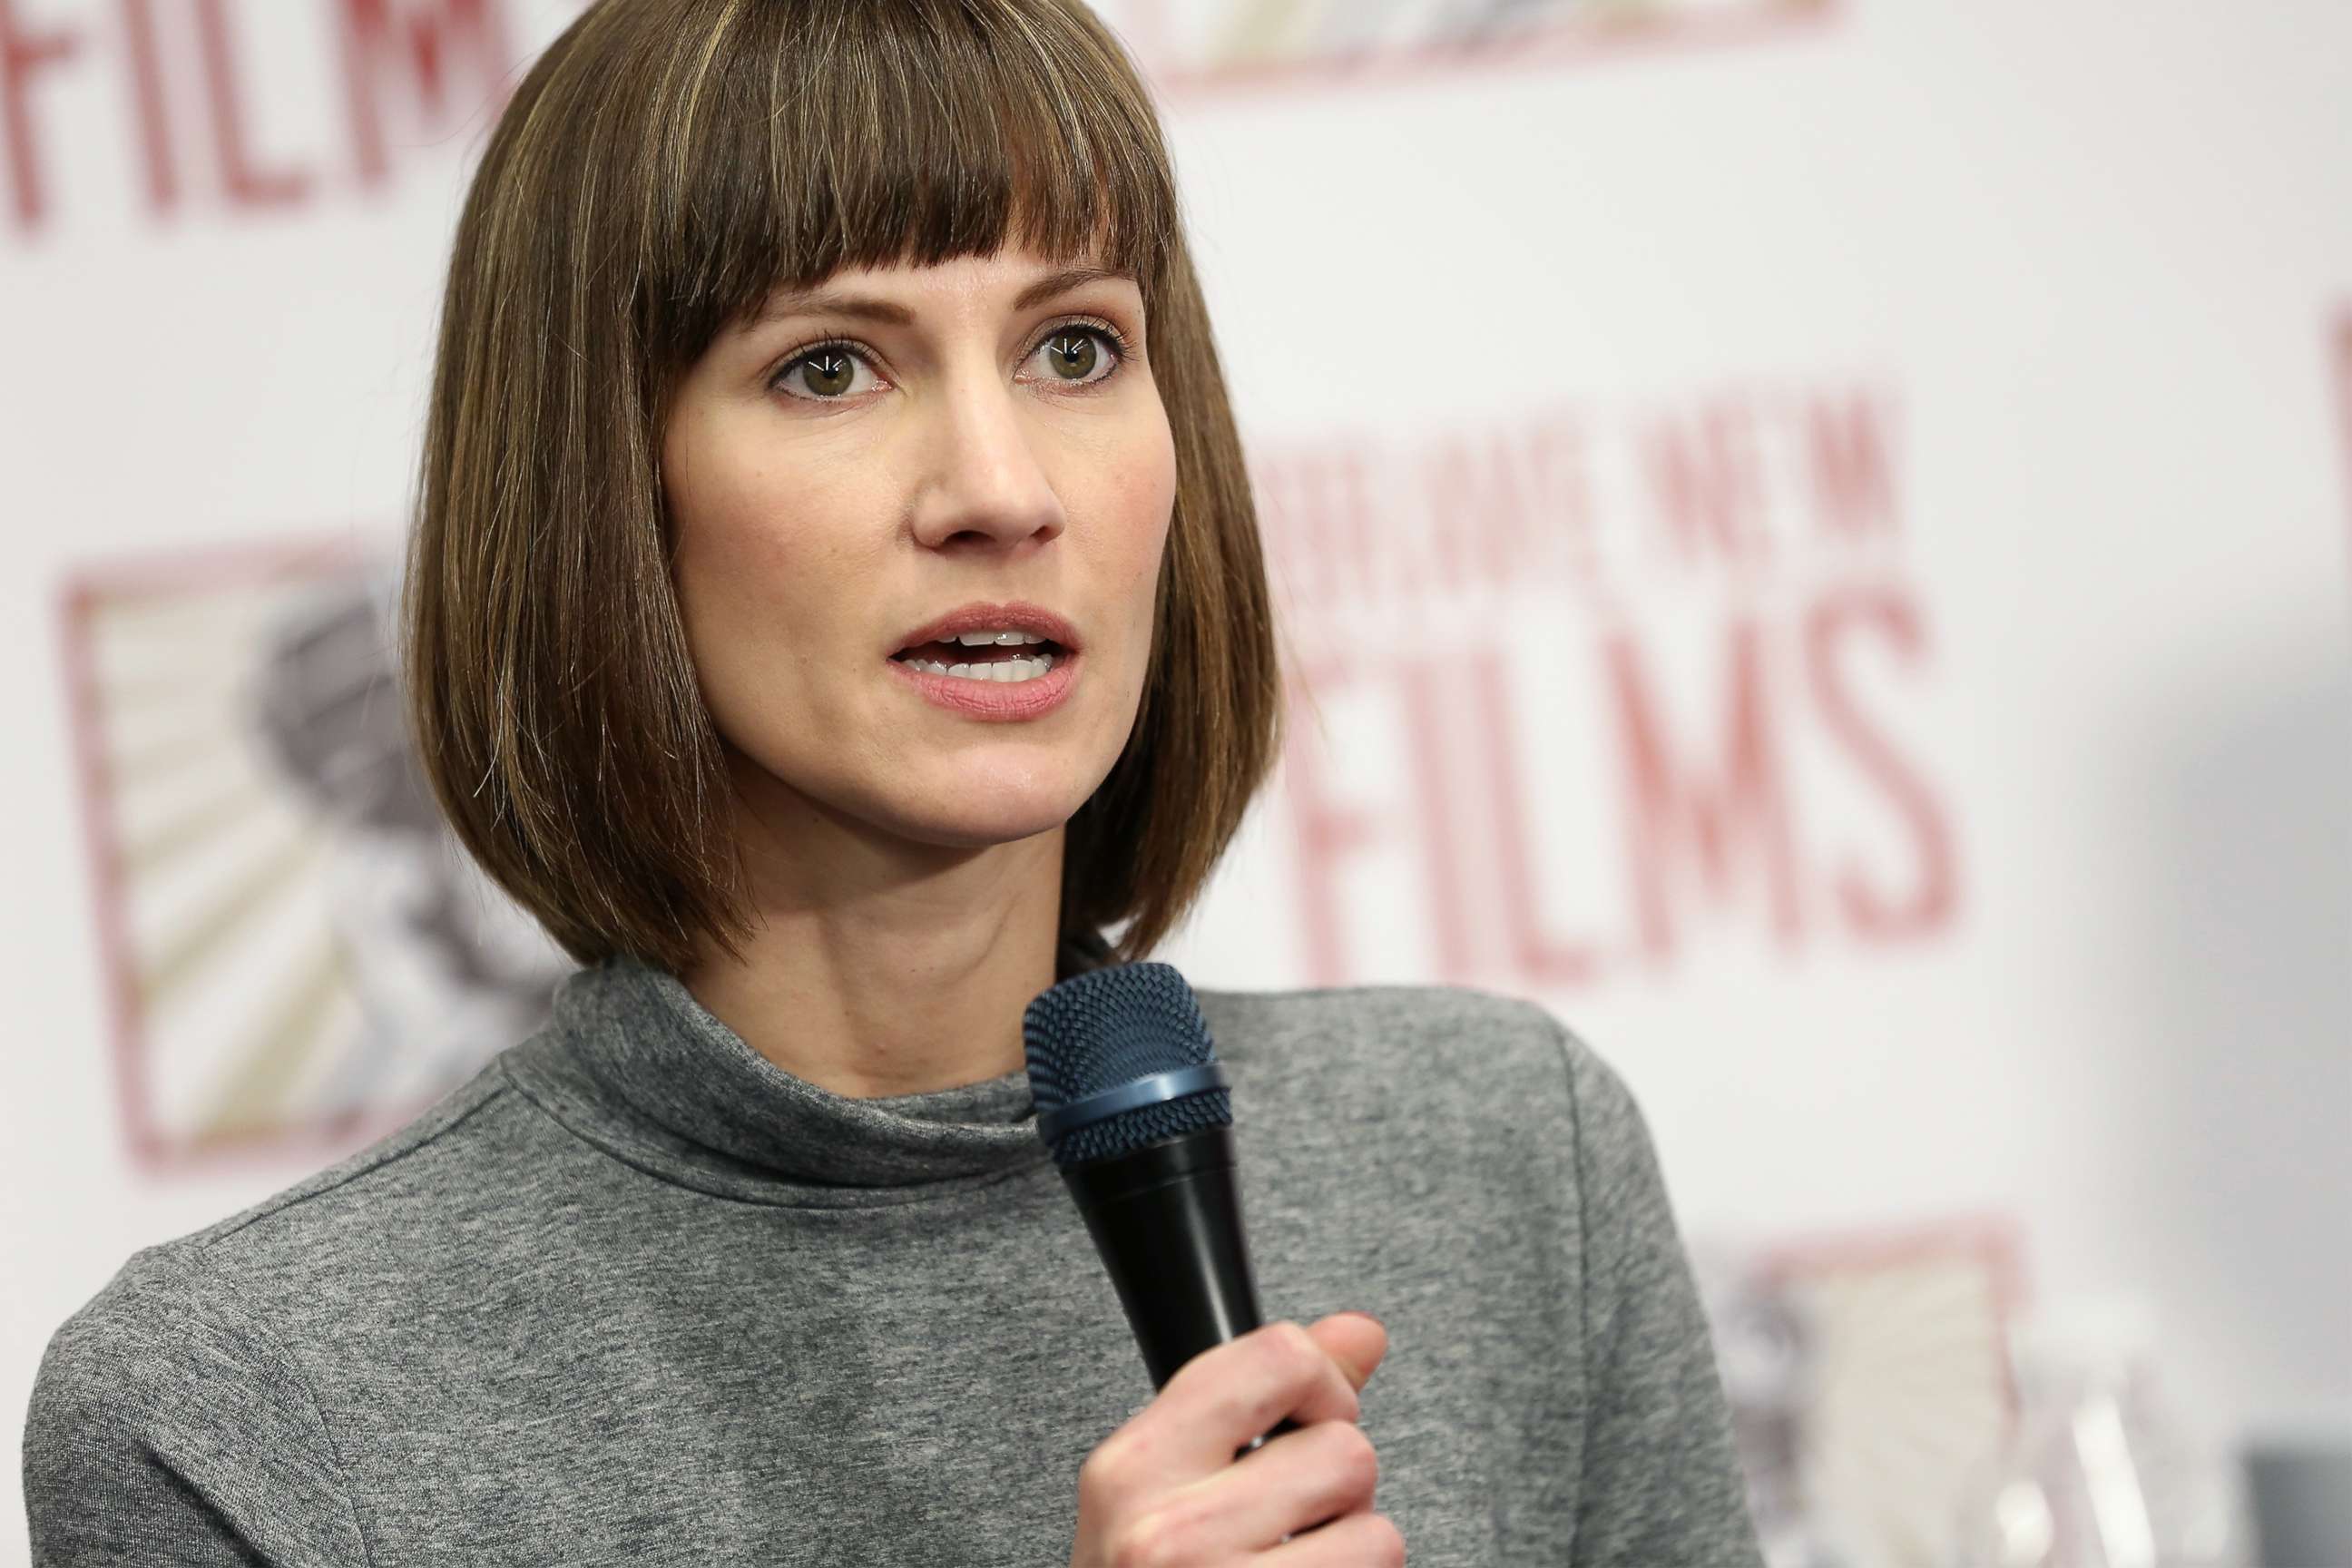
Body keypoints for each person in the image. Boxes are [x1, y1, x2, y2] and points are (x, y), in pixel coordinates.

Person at [22, 1, 1766, 1563]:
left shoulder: (1501, 1157)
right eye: (830, 366)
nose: (1001, 488)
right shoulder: (242, 1413)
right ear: (602, 495)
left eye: (1074, 347)